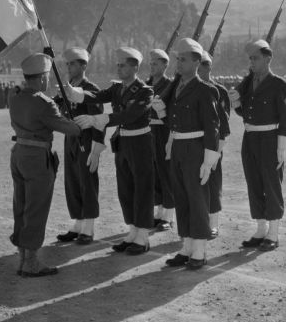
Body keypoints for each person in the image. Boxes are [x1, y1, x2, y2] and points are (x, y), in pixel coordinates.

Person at [69, 47, 155, 255]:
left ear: (135, 67)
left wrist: (102, 119)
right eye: (117, 65)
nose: (119, 68)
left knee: (142, 188)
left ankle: (142, 236)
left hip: (140, 142)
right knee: (125, 189)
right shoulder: (117, 89)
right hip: (123, 143)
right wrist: (77, 94)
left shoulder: (145, 90)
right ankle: (132, 230)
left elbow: (130, 115)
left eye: (123, 65)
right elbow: (97, 96)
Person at [9, 52, 86, 277]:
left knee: (21, 206)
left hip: (19, 153)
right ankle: (31, 261)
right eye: (46, 77)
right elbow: (69, 128)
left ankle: (23, 257)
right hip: (36, 158)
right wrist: (80, 123)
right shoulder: (44, 103)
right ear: (42, 77)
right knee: (36, 208)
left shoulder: (14, 96)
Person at [153, 38, 220, 270]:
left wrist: (209, 160)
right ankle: (187, 246)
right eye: (177, 59)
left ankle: (199, 250)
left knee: (197, 199)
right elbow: (173, 120)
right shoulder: (177, 88)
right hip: (179, 146)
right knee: (181, 197)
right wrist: (161, 111)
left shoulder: (205, 90)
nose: (178, 63)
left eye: (183, 59)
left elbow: (212, 127)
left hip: (195, 148)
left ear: (196, 62)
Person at [228, 39, 286, 252]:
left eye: (255, 58)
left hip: (270, 138)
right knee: (254, 182)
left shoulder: (279, 85)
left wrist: (281, 147)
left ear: (268, 58)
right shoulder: (248, 82)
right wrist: (236, 102)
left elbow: (285, 119)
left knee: (271, 184)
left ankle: (273, 232)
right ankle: (261, 229)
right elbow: (245, 111)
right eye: (250, 58)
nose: (252, 62)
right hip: (251, 138)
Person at [54, 47, 105, 244]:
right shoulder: (67, 87)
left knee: (87, 182)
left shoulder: (90, 89)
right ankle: (77, 224)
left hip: (86, 139)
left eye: (73, 63)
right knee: (72, 181)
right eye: (67, 64)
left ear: (83, 65)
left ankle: (88, 228)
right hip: (71, 138)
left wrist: (98, 145)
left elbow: (99, 119)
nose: (69, 67)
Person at [197, 50, 230, 238]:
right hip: (193, 144)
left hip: (213, 144)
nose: (200, 69)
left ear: (209, 66)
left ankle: (214, 223)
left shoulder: (219, 91)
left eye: (203, 65)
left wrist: (217, 151)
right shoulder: (188, 88)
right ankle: (199, 222)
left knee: (213, 183)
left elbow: (223, 126)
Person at [147, 48, 175, 231]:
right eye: (151, 63)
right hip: (149, 131)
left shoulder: (170, 85)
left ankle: (168, 215)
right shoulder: (146, 84)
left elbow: (173, 113)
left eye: (156, 63)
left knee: (166, 173)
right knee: (154, 173)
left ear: (165, 65)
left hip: (164, 131)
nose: (152, 66)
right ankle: (158, 212)